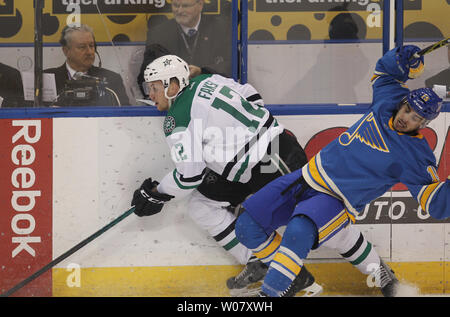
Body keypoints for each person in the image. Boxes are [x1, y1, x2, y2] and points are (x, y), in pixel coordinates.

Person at [131, 54, 391, 297]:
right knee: (202, 206)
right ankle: (271, 266)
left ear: (173, 84)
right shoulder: (206, 79)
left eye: (154, 87)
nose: (150, 95)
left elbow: (189, 177)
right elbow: (249, 92)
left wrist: (158, 193)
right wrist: (244, 128)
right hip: (244, 169)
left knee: (325, 226)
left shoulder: (176, 119)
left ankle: (384, 278)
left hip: (274, 158)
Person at [234, 45, 449, 297]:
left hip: (336, 199)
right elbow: (385, 71)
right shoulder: (388, 101)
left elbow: (435, 203)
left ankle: (271, 294)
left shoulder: (415, 156)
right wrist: (403, 59)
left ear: (424, 124)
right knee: (247, 225)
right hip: (306, 177)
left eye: (416, 118)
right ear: (402, 103)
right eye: (407, 110)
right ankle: (299, 277)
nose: (407, 118)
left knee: (300, 231)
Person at [137, 0, 232, 98]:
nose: (180, 10)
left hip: (212, 99)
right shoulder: (158, 34)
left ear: (200, 5)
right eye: (176, 5)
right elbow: (145, 75)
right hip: (174, 102)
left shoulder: (221, 29)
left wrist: (201, 71)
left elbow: (231, 67)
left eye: (185, 6)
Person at [45, 24, 130, 107]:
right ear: (66, 51)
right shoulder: (47, 78)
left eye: (91, 46)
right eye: (82, 47)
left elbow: (126, 115)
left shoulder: (112, 79)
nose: (89, 52)